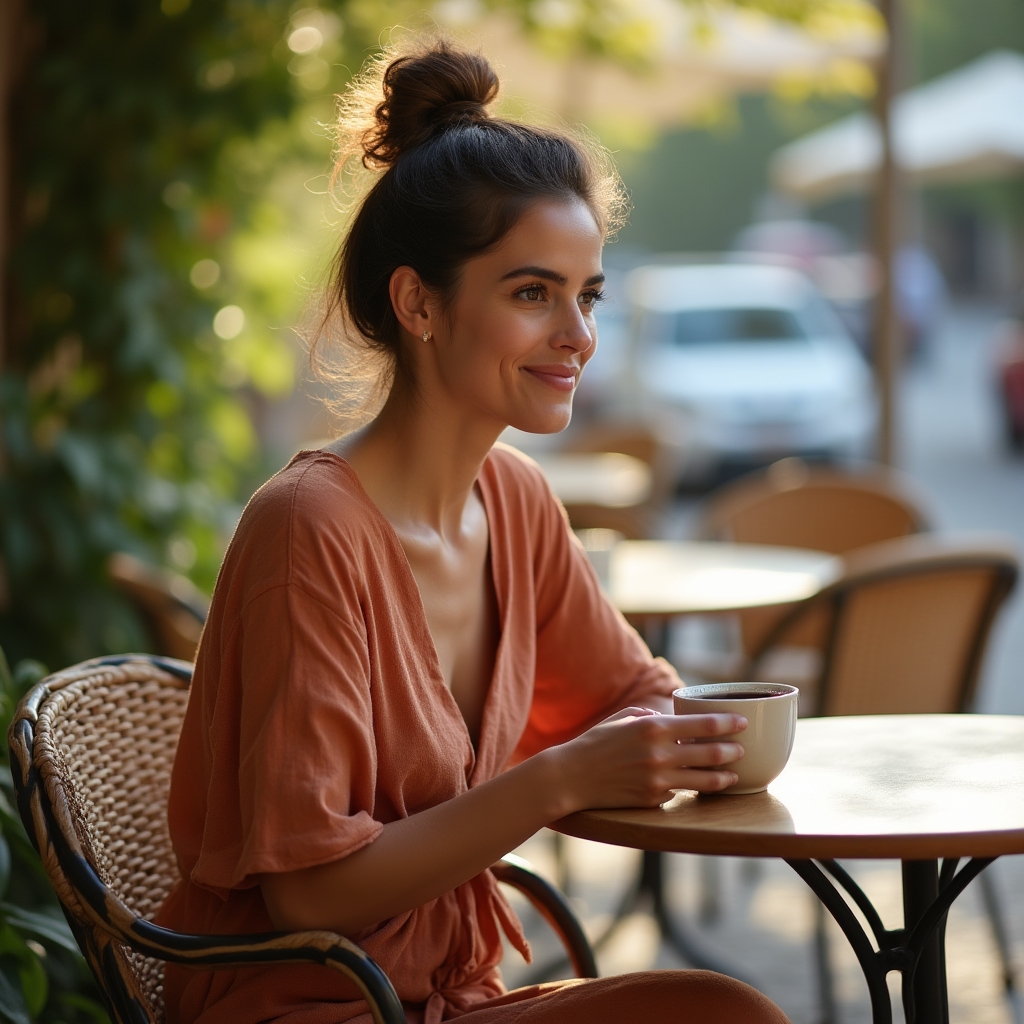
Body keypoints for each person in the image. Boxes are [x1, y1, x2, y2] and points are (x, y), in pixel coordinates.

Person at [156, 39, 791, 1024]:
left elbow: (630, 694)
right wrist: (563, 776)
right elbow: (309, 893)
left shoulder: (516, 499)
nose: (577, 333)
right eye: (532, 292)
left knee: (723, 1009)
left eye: (587, 295)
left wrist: (660, 740)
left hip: (449, 997)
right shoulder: (306, 530)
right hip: (309, 1006)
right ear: (418, 302)